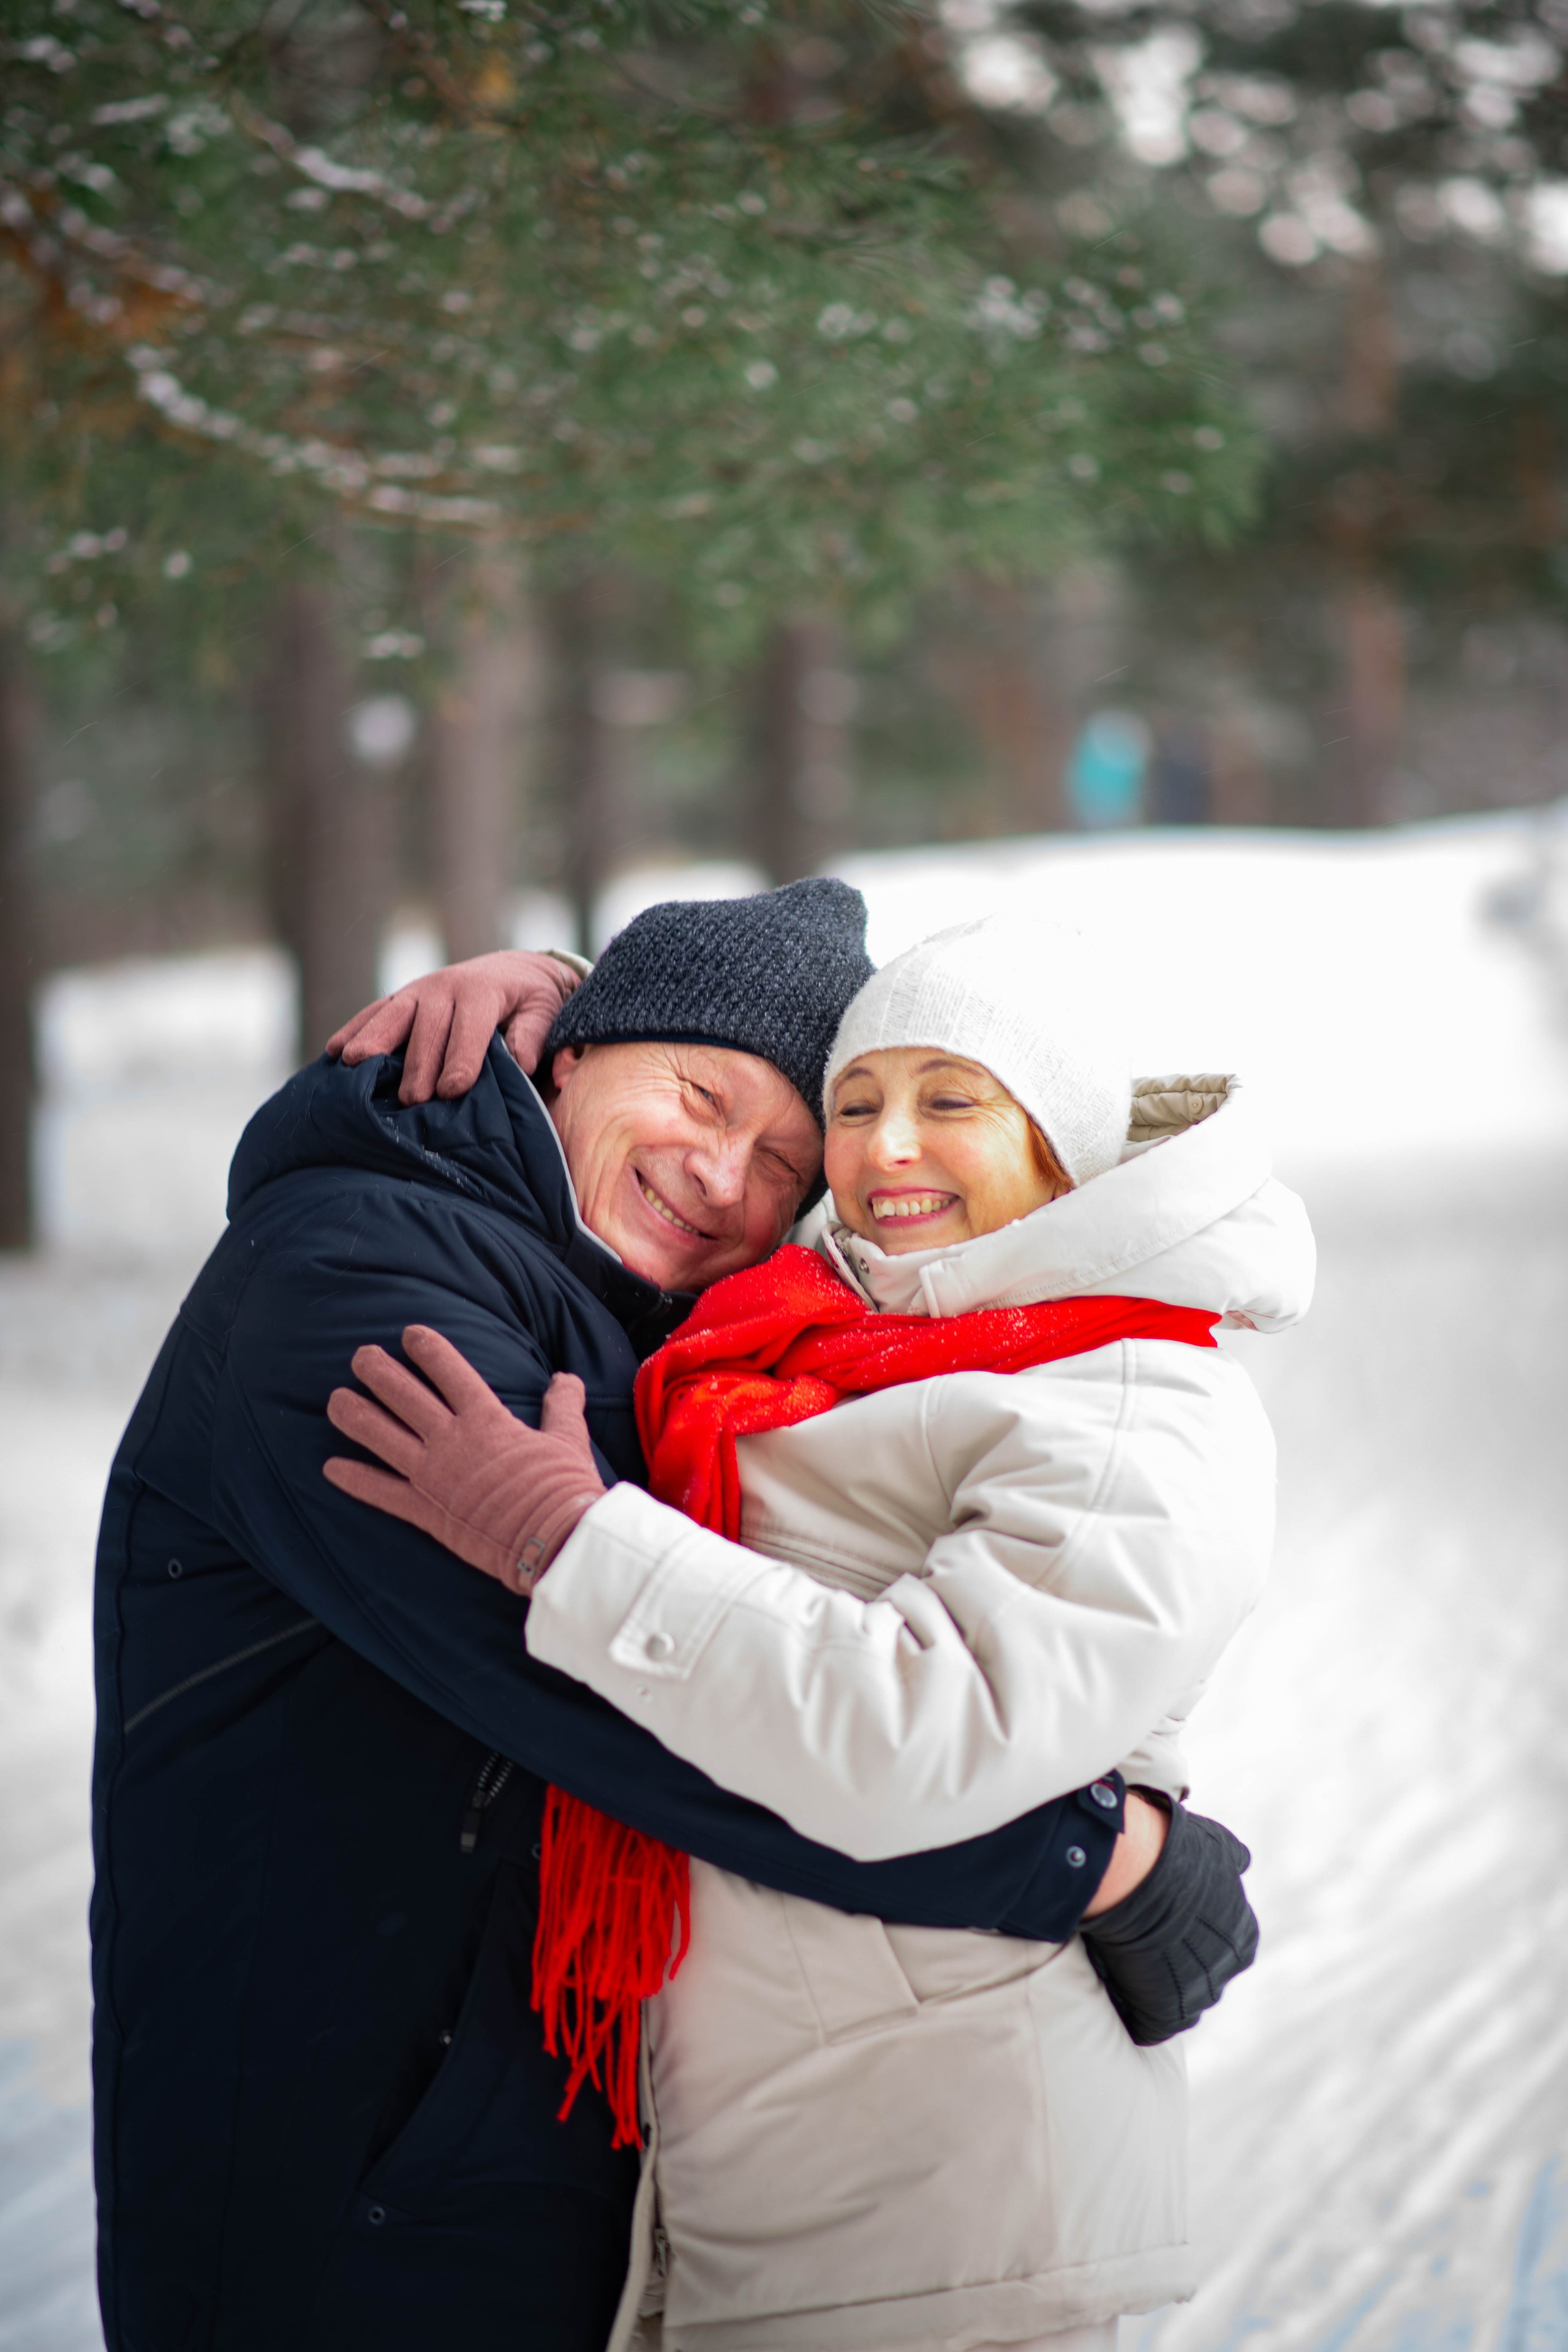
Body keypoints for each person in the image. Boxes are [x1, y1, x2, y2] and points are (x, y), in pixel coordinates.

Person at [91, 884, 1197, 2352]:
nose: (723, 1178)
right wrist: (1090, 1862)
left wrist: (563, 982)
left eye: (784, 1166)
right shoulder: (356, 1291)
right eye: (697, 1093)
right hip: (345, 2211)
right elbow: (654, 1704)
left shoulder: (631, 1310)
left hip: (516, 2172)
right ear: (564, 1058)